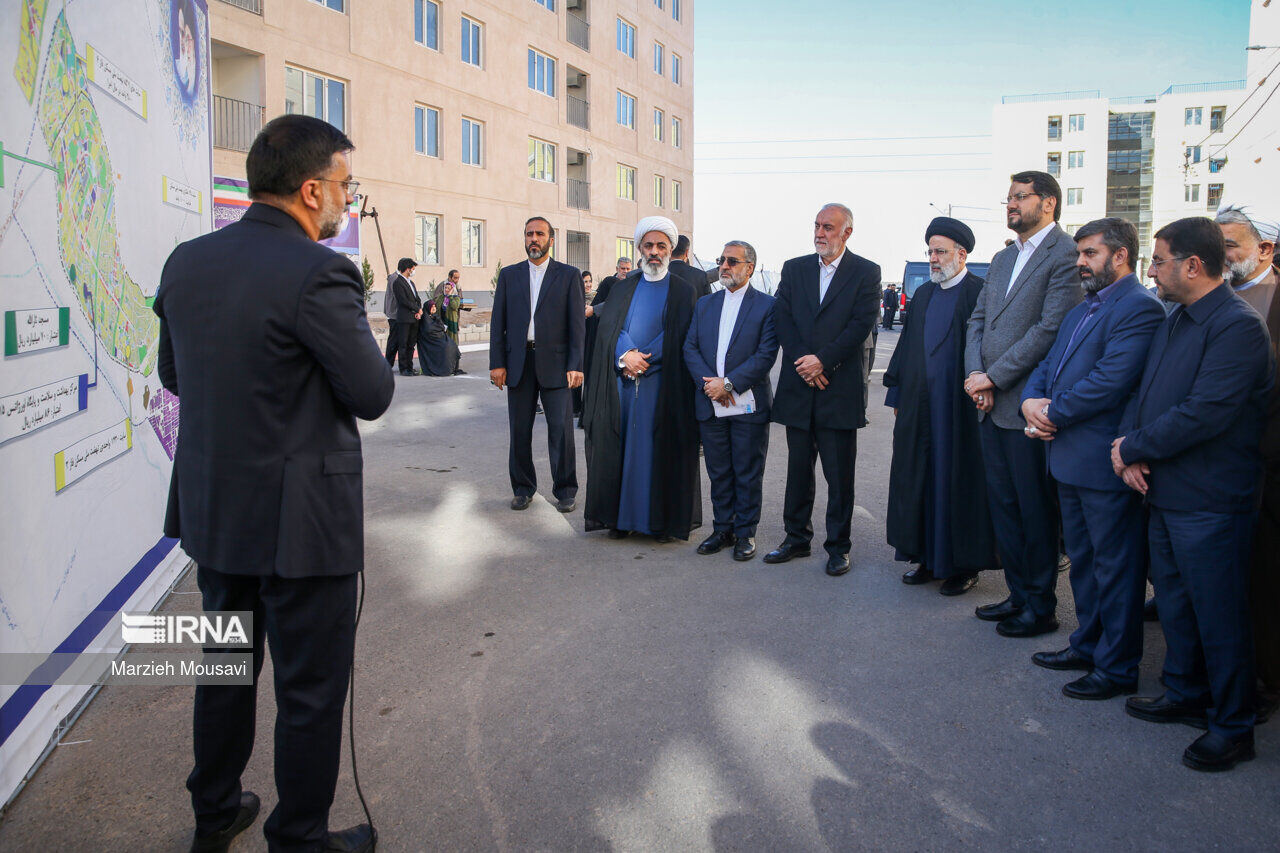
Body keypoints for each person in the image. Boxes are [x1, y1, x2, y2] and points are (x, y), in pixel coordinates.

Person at [154, 114, 390, 853]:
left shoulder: (185, 261)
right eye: (345, 187)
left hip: (216, 516)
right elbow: (371, 391)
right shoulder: (322, 270)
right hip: (301, 527)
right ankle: (299, 837)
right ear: (311, 189)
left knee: (222, 669)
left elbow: (173, 375)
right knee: (309, 691)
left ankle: (215, 810)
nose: (349, 202)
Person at [1115, 217, 1273, 771]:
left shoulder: (1237, 326)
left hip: (1211, 498)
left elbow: (1205, 413)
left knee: (1219, 614)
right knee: (1177, 604)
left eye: (1157, 260)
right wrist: (1133, 448)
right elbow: (1150, 392)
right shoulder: (1175, 317)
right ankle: (1184, 691)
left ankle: (1232, 724)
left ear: (1193, 265)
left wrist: (1133, 447)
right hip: (1166, 490)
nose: (1150, 269)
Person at [1019, 218, 1164, 700]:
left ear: (1120, 255)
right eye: (1079, 253)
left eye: (1088, 254)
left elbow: (1111, 380)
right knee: (1082, 562)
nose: (1079, 262)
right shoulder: (1085, 306)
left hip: (1104, 462)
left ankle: (1118, 666)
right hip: (1067, 458)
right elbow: (1046, 366)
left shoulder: (1140, 308)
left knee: (1116, 569)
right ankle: (1087, 644)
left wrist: (1051, 414)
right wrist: (1029, 403)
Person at [964, 170, 1082, 637]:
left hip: (1027, 406)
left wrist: (994, 375)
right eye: (1008, 198)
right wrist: (976, 376)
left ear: (1048, 202)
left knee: (1035, 512)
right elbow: (978, 320)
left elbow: (1050, 330)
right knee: (1005, 509)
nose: (1010, 204)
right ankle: (1018, 595)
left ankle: (1041, 606)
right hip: (988, 404)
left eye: (1019, 197)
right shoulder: (1001, 256)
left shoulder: (1066, 254)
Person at [765, 203, 881, 576]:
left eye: (828, 227)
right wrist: (804, 361)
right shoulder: (795, 268)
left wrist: (823, 361)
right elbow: (782, 317)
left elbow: (861, 324)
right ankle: (796, 538)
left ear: (847, 232)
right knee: (798, 471)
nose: (819, 233)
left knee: (838, 475)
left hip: (838, 388)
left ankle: (838, 546)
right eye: (816, 226)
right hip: (800, 385)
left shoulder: (865, 272)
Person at [884, 217, 994, 596]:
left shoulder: (980, 292)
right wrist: (897, 395)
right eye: (930, 251)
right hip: (919, 407)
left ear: (961, 255)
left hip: (959, 410)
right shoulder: (925, 295)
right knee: (919, 478)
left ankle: (964, 566)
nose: (932, 259)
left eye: (940, 251)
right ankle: (926, 558)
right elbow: (906, 349)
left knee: (958, 482)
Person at [583, 217, 701, 541]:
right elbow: (611, 329)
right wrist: (626, 355)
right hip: (623, 382)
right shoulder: (623, 288)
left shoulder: (683, 291)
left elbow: (680, 334)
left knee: (656, 452)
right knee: (620, 451)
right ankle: (619, 520)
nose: (654, 252)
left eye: (661, 246)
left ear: (671, 249)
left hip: (662, 386)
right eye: (648, 245)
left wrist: (644, 357)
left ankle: (659, 523)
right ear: (639, 249)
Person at [1216, 203, 1280, 720]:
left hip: (1266, 462)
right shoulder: (1213, 297)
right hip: (1212, 465)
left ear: (1265, 250)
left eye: (1231, 245)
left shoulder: (1272, 298)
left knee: (1262, 576)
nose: (1222, 254)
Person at [682, 241, 778, 561]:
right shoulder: (705, 305)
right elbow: (690, 348)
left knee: (747, 471)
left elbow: (765, 355)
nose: (724, 265)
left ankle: (745, 532)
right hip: (711, 401)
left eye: (732, 261)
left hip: (747, 403)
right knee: (719, 470)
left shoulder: (766, 306)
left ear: (749, 267)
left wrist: (729, 384)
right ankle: (722, 528)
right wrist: (711, 387)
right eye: (722, 260)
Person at [489, 217, 585, 512]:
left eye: (540, 234)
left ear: (551, 240)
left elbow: (576, 324)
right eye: (529, 233)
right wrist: (497, 363)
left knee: (560, 430)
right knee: (519, 430)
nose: (534, 238)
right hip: (518, 363)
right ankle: (522, 487)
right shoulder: (509, 275)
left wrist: (576, 364)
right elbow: (498, 323)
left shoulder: (568, 275)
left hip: (556, 365)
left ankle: (565, 489)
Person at [582, 258, 631, 426]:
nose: (625, 271)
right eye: (623, 268)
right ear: (617, 268)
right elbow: (612, 305)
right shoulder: (611, 283)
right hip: (602, 337)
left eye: (628, 268)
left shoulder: (629, 286)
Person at [392, 257, 423, 376]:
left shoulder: (411, 283)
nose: (413, 271)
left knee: (411, 344)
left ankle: (410, 367)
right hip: (404, 318)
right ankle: (404, 368)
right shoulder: (398, 282)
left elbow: (416, 298)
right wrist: (416, 309)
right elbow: (403, 300)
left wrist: (418, 310)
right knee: (403, 344)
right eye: (413, 268)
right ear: (407, 269)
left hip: (414, 317)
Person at [416, 296, 463, 376]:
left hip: (440, 337)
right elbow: (429, 329)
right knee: (445, 347)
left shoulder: (435, 316)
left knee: (452, 345)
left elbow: (441, 326)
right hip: (431, 340)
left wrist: (438, 327)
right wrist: (439, 328)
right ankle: (444, 369)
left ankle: (452, 368)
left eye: (434, 306)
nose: (434, 308)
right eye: (432, 306)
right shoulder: (425, 318)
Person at [671, 234, 713, 299]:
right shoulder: (701, 276)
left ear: (670, 250)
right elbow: (708, 304)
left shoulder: (660, 274)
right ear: (687, 252)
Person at [435, 269, 463, 341]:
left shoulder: (457, 287)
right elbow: (436, 299)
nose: (457, 280)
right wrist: (445, 300)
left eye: (458, 278)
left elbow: (459, 300)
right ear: (450, 277)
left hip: (453, 316)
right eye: (455, 278)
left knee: (453, 338)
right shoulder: (442, 285)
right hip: (442, 317)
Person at [383, 267, 399, 366]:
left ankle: (389, 363)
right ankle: (388, 363)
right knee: (393, 340)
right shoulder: (394, 278)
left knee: (395, 339)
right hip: (394, 314)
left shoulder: (394, 277)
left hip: (394, 313)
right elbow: (397, 295)